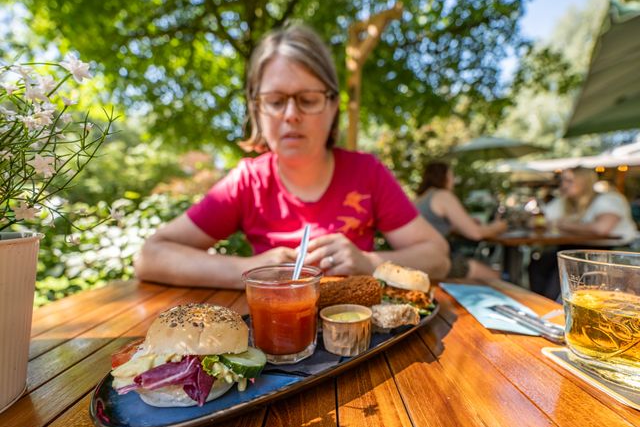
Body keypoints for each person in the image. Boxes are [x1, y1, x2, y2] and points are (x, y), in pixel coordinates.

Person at [134, 24, 450, 289]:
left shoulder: (367, 173)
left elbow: (438, 257)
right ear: (257, 108)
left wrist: (368, 262)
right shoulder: (248, 182)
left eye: (307, 100)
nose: (291, 115)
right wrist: (252, 271)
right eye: (275, 100)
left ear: (331, 107)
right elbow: (150, 256)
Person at [529, 166, 638, 299]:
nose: (563, 185)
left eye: (569, 181)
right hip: (577, 249)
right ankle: (541, 304)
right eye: (562, 181)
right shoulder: (565, 202)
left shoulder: (608, 199)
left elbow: (601, 229)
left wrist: (565, 225)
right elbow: (538, 220)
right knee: (540, 263)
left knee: (560, 275)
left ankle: (553, 306)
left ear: (585, 181)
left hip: (616, 253)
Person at [415, 162, 507, 279]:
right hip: (433, 261)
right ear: (444, 177)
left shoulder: (420, 198)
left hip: (417, 259)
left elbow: (435, 225)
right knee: (495, 276)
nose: (454, 181)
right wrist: (499, 226)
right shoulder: (442, 195)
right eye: (452, 176)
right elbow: (476, 233)